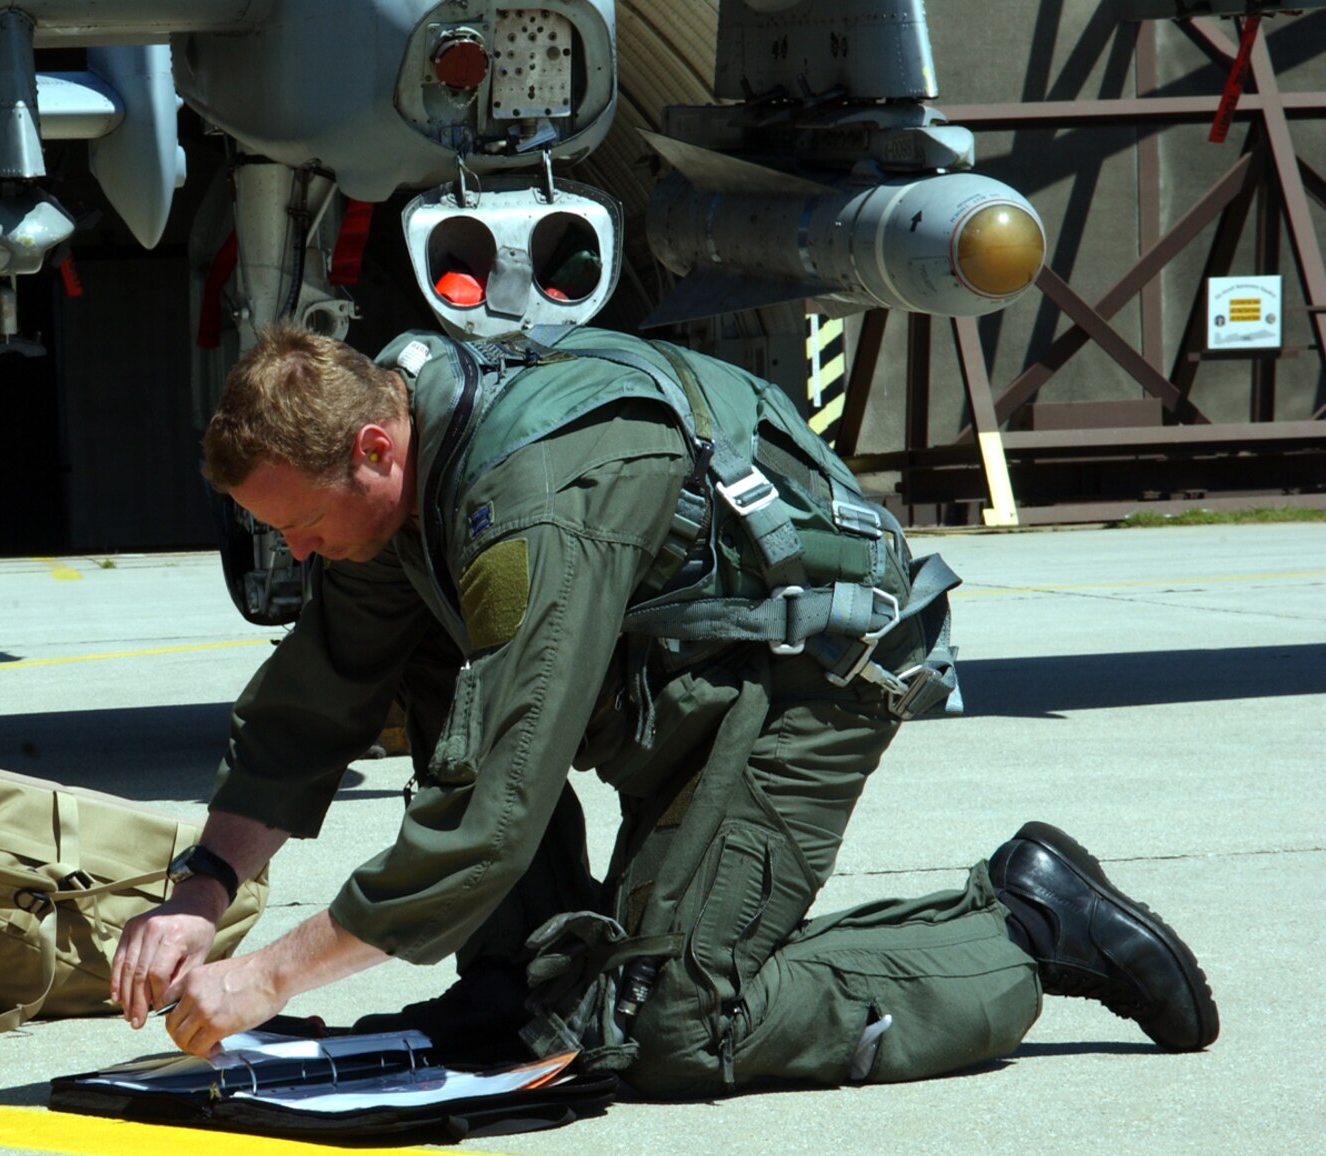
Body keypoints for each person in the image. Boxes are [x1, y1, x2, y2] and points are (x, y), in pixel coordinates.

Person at [108, 322, 1219, 1095]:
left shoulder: (537, 499)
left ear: (371, 446)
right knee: (420, 659)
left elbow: (487, 809)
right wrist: (199, 896)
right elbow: (311, 702)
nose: (294, 553)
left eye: (298, 525)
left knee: (670, 1024)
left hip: (806, 680)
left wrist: (268, 974)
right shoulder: (392, 481)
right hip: (687, 676)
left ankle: (1020, 927)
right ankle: (521, 981)